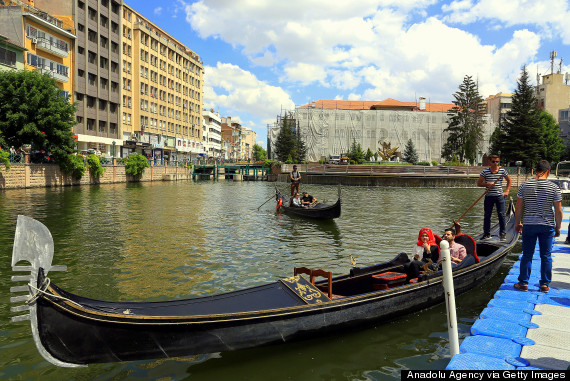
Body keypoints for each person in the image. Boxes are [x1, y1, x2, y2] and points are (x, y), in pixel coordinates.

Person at [514, 160, 563, 293]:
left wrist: (517, 223)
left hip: (529, 224)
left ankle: (523, 283)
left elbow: (519, 207)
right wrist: (558, 227)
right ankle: (545, 285)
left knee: (527, 254)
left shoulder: (525, 185)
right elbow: (558, 211)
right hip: (547, 225)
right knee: (546, 255)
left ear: (536, 171)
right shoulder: (554, 187)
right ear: (548, 171)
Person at [477, 155, 511, 240]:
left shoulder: (502, 171)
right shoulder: (485, 172)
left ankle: (502, 233)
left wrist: (507, 191)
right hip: (489, 196)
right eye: (493, 162)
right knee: (487, 215)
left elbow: (509, 181)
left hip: (500, 196)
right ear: (489, 162)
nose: (496, 163)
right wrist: (488, 184)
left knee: (501, 215)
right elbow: (479, 183)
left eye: (497, 162)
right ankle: (486, 233)